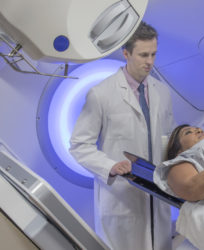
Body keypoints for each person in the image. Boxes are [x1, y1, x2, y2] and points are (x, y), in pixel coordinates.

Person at [69, 21, 175, 250]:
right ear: (125, 53)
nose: (150, 62)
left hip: (157, 196)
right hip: (121, 196)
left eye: (154, 54)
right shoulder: (101, 94)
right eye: (143, 55)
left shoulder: (162, 92)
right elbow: (79, 145)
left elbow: (165, 139)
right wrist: (109, 166)